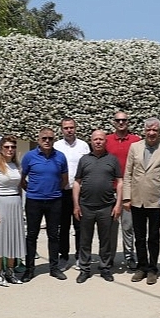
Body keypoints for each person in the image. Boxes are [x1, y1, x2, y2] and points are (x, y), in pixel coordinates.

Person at [123, 117, 160, 285]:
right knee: (139, 237)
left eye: (155, 130)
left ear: (159, 132)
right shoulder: (134, 147)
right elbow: (128, 173)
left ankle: (153, 268)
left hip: (155, 201)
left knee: (153, 237)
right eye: (149, 130)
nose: (151, 133)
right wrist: (126, 197)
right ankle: (141, 267)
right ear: (145, 131)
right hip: (136, 200)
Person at [73, 130, 123, 283]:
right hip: (86, 206)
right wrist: (76, 205)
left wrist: (118, 205)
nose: (98, 142)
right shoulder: (84, 160)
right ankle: (85, 269)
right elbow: (77, 182)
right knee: (85, 240)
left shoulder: (112, 160)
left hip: (106, 206)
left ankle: (105, 268)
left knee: (105, 240)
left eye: (101, 139)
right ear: (91, 141)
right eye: (95, 139)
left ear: (105, 141)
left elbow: (120, 182)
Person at [20, 127, 68, 282]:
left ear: (54, 140)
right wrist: (34, 190)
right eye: (44, 138)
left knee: (54, 235)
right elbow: (22, 179)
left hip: (55, 201)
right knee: (32, 235)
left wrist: (53, 191)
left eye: (50, 138)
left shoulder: (60, 157)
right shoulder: (29, 157)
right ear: (38, 139)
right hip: (34, 201)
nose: (47, 141)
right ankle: (29, 269)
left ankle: (54, 268)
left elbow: (64, 180)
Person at [0, 135, 26, 286]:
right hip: (0, 203)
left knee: (13, 239)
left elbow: (19, 187)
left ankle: (11, 271)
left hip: (14, 204)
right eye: (7, 147)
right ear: (1, 149)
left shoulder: (17, 166)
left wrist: (20, 206)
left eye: (13, 147)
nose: (10, 150)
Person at [54, 117, 90, 271]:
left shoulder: (83, 146)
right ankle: (63, 257)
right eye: (66, 128)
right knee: (63, 227)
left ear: (76, 128)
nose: (69, 130)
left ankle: (79, 257)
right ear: (61, 130)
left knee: (80, 227)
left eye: (71, 127)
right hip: (62, 192)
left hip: (80, 193)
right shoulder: (56, 146)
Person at [106, 111, 140, 270]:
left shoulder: (135, 141)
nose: (121, 123)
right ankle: (109, 257)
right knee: (111, 226)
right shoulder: (107, 140)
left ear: (128, 122)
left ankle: (129, 256)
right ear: (114, 122)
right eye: (118, 120)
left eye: (124, 120)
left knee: (128, 226)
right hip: (109, 190)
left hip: (128, 190)